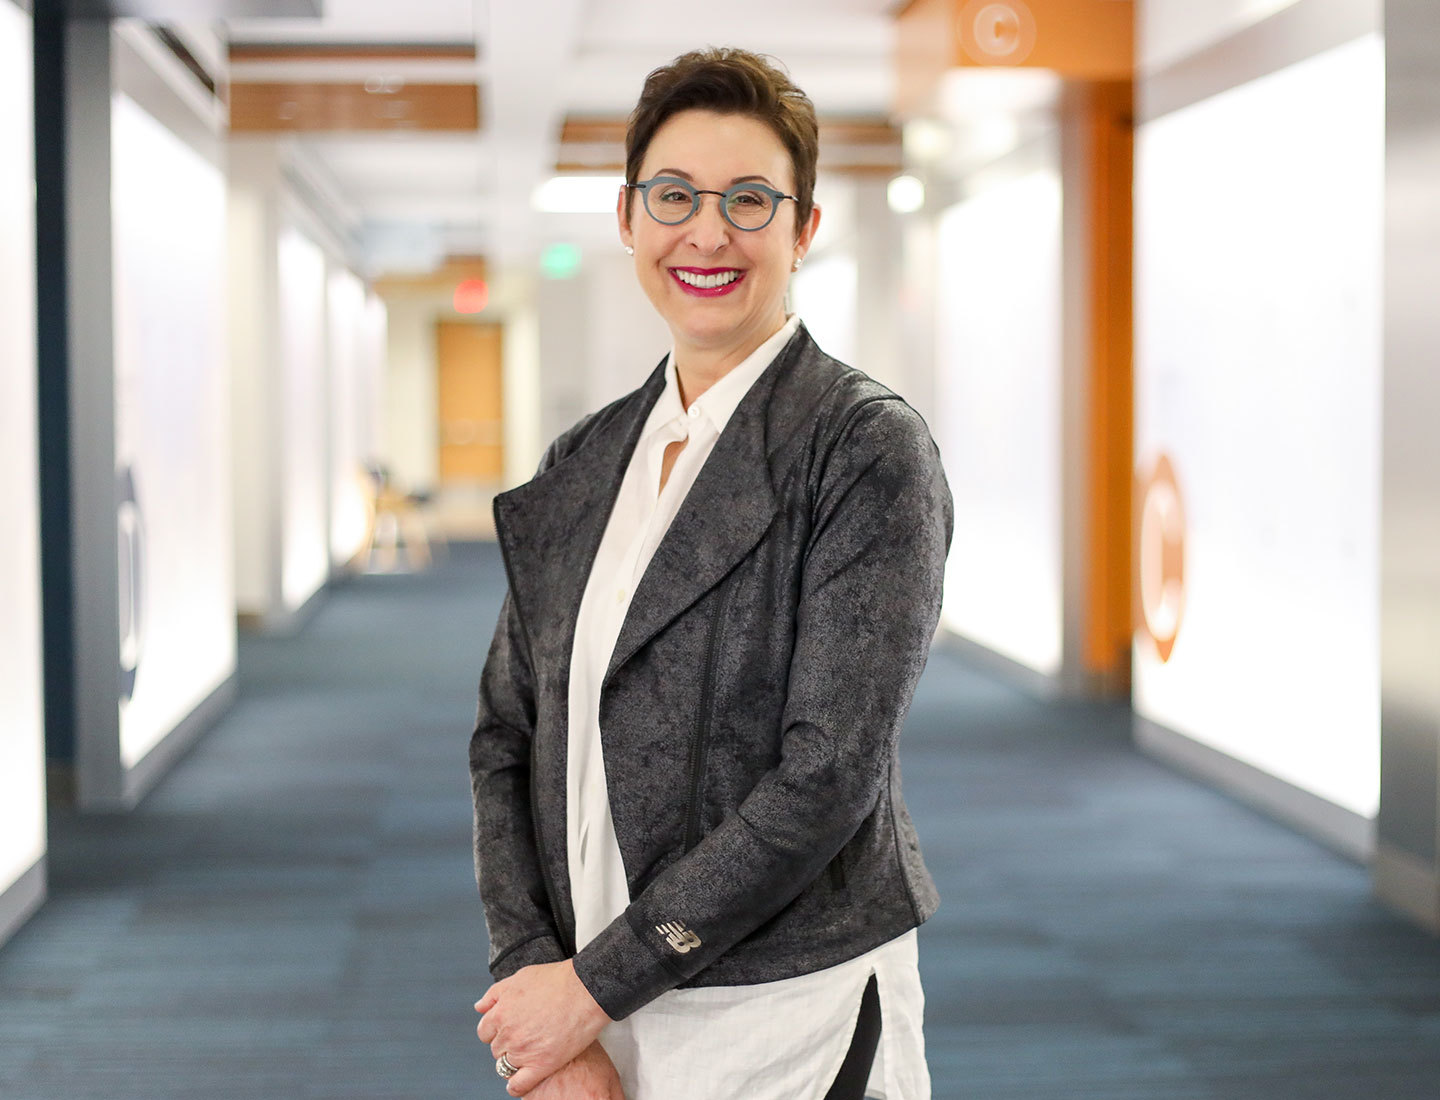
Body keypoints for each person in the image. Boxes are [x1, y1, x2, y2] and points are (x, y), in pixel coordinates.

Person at [469, 47, 952, 1100]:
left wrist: (591, 986)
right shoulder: (587, 463)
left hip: (783, 1014)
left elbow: (825, 775)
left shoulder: (864, 450)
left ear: (803, 228)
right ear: (629, 217)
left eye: (749, 200)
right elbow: (505, 734)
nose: (708, 232)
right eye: (676, 195)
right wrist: (535, 984)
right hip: (593, 1009)